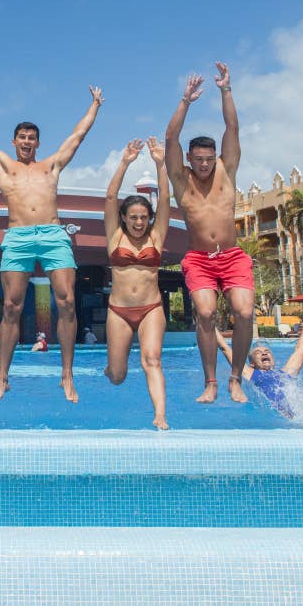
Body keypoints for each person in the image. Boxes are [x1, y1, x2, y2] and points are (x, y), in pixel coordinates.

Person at [0, 72, 103, 402]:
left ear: (38, 143)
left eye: (32, 137)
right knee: (11, 306)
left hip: (53, 234)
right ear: (14, 141)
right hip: (18, 236)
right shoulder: (3, 165)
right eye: (22, 137)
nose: (27, 141)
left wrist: (95, 106)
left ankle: (67, 375)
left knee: (68, 302)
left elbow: (77, 136)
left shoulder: (51, 166)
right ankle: (2, 377)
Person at [164, 64, 254, 405]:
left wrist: (225, 90)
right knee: (204, 313)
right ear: (189, 158)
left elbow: (233, 127)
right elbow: (170, 139)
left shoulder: (226, 172)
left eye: (209, 159)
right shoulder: (180, 179)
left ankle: (235, 379)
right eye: (199, 159)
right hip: (199, 259)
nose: (204, 164)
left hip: (232, 256)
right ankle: (211, 382)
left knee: (244, 313)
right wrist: (185, 101)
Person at [102, 138, 173, 430]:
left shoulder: (156, 236)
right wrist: (124, 162)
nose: (139, 223)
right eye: (133, 217)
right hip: (119, 311)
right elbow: (110, 197)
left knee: (152, 360)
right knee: (118, 377)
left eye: (144, 217)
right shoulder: (115, 235)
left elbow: (165, 199)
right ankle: (110, 368)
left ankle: (160, 415)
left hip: (150, 308)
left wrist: (160, 164)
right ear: (123, 218)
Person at [218, 309, 303, 417]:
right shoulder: (251, 374)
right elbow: (225, 348)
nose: (264, 353)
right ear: (252, 363)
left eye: (267, 351)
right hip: (283, 417)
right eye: (258, 352)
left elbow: (300, 349)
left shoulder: (286, 373)